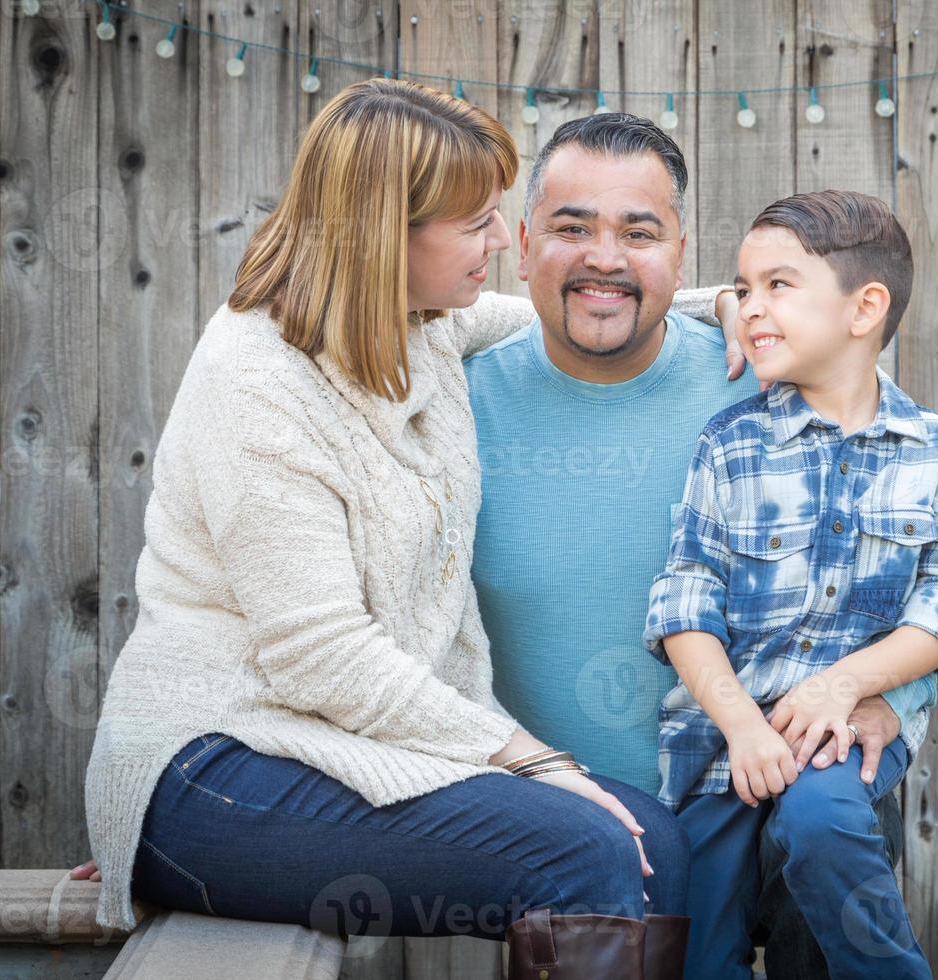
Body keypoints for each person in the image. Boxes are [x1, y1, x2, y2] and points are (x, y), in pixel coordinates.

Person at [75, 79, 694, 979]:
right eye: (478, 224)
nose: (503, 244)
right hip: (215, 768)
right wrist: (533, 761)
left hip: (337, 745)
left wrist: (746, 306)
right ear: (384, 238)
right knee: (586, 848)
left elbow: (571, 307)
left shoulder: (419, 318)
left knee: (658, 843)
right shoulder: (260, 384)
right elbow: (321, 655)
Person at [465, 115, 938, 976]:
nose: (605, 258)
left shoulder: (777, 382)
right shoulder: (453, 413)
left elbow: (914, 571)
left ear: (680, 255)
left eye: (638, 233)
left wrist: (887, 701)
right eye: (573, 228)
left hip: (799, 794)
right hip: (581, 856)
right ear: (523, 242)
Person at [643, 190, 938, 980]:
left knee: (824, 822)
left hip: (848, 738)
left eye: (778, 285)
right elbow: (684, 603)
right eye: (743, 286)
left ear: (864, 307)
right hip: (719, 749)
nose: (748, 308)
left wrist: (843, 687)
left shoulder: (932, 451)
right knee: (697, 946)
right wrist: (742, 727)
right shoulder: (730, 446)